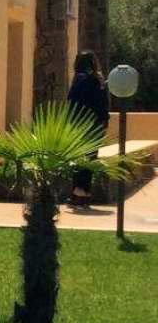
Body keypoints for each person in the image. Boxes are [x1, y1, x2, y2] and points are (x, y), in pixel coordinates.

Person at [66, 50, 109, 206]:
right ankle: (85, 193)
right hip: (95, 125)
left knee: (78, 159)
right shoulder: (99, 80)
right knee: (91, 158)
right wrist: (104, 122)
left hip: (79, 125)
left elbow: (72, 103)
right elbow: (104, 104)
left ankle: (78, 193)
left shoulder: (79, 80)